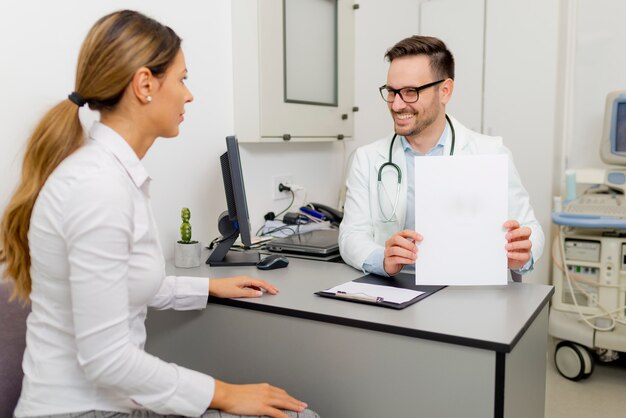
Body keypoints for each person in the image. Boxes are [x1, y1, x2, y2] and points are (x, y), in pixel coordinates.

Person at [0, 10, 318, 418]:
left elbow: (122, 283)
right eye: (183, 79)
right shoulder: (97, 187)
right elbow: (106, 359)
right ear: (145, 84)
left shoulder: (110, 174)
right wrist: (223, 393)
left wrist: (205, 289)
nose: (189, 95)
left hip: (111, 402)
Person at [339, 35, 544, 278]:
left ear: (445, 91)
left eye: (410, 92)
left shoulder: (490, 153)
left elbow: (531, 229)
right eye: (392, 92)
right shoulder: (367, 159)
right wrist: (382, 258)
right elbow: (351, 235)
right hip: (398, 288)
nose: (396, 105)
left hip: (469, 290)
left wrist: (523, 251)